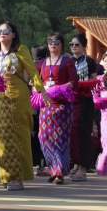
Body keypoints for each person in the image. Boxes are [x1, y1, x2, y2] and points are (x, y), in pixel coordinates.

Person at [0, 21, 43, 191]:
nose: (3, 33)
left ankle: (17, 177)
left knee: (17, 136)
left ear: (13, 35)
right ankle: (6, 176)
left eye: (7, 31)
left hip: (18, 98)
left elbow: (33, 72)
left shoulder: (21, 50)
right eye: (0, 31)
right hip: (0, 99)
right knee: (1, 137)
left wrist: (41, 91)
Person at [34, 33, 78, 185]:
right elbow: (36, 82)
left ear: (62, 45)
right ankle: (53, 168)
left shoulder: (68, 62)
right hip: (46, 106)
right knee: (43, 137)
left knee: (60, 138)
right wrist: (37, 89)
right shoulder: (42, 63)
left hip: (62, 106)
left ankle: (59, 171)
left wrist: (58, 88)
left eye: (57, 42)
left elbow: (74, 82)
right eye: (50, 42)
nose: (53, 44)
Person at [68, 34, 100, 181]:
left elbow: (94, 81)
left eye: (76, 45)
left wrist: (83, 85)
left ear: (83, 46)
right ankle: (75, 163)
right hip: (70, 100)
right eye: (71, 45)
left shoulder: (89, 61)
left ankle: (83, 167)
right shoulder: (67, 61)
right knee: (72, 133)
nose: (74, 47)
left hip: (85, 100)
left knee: (83, 133)